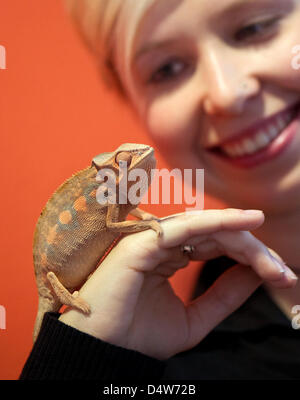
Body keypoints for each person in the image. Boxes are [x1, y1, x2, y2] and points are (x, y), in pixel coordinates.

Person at [20, 0, 300, 380]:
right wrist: (83, 360)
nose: (226, 94)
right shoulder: (186, 347)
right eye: (166, 69)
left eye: (254, 27)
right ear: (131, 103)